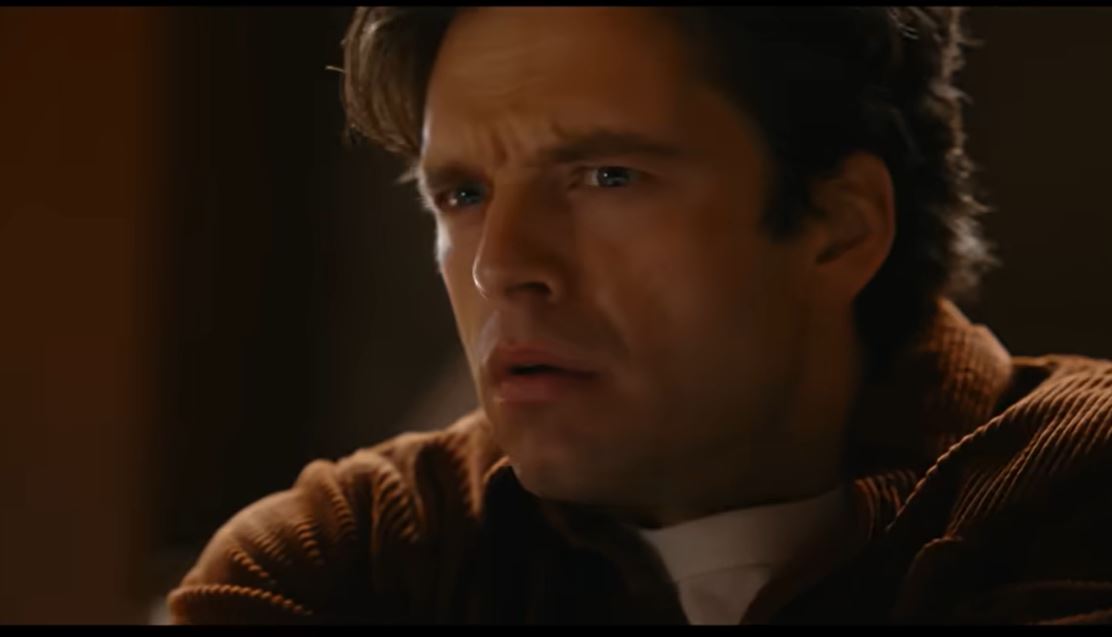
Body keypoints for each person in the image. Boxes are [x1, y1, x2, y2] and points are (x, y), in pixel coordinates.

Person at [167, 7, 1112, 624]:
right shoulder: (352, 554)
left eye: (607, 176)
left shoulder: (1074, 490)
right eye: (462, 194)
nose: (502, 265)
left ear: (838, 226)